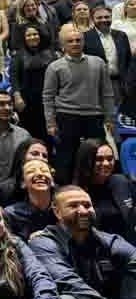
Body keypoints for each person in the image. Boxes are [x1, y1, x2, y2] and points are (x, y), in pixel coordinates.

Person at [43, 24, 114, 184]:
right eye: (70, 41)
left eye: (78, 40)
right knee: (66, 157)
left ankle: (96, 189)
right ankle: (65, 189)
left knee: (96, 157)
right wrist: (50, 122)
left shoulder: (98, 63)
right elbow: (48, 97)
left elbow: (107, 93)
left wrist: (110, 118)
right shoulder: (54, 67)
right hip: (67, 117)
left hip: (94, 117)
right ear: (63, 45)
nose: (75, 43)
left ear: (83, 42)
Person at [71, 139, 136, 242]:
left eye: (110, 159)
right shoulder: (75, 193)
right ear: (86, 160)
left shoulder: (122, 182)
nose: (106, 163)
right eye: (99, 159)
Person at [10, 24, 56, 139]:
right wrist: (17, 97)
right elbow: (14, 78)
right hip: (26, 100)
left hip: (47, 99)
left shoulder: (51, 53)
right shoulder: (18, 55)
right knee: (29, 132)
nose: (32, 37)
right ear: (24, 38)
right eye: (28, 35)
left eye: (35, 34)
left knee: (47, 132)